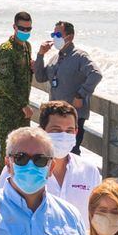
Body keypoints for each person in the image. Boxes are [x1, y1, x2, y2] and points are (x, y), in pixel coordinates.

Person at [35, 21, 102, 153]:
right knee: (51, 153)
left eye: (58, 34)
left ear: (70, 37)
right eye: (53, 34)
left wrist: (81, 94)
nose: (55, 38)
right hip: (54, 116)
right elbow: (40, 77)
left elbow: (96, 74)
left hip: (73, 117)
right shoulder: (55, 58)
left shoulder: (80, 56)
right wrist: (40, 55)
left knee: (71, 154)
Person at [38, 101, 99, 219]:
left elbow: (96, 213)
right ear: (42, 131)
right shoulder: (22, 168)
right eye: (56, 130)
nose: (63, 135)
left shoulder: (89, 171)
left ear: (76, 132)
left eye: (69, 131)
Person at [0, 11, 34, 159]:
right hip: (7, 109)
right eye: (22, 28)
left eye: (28, 29)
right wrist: (23, 105)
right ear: (14, 27)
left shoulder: (26, 46)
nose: (25, 32)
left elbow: (23, 77)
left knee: (23, 152)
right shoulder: (6, 50)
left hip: (21, 109)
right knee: (8, 153)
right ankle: (3, 182)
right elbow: (4, 84)